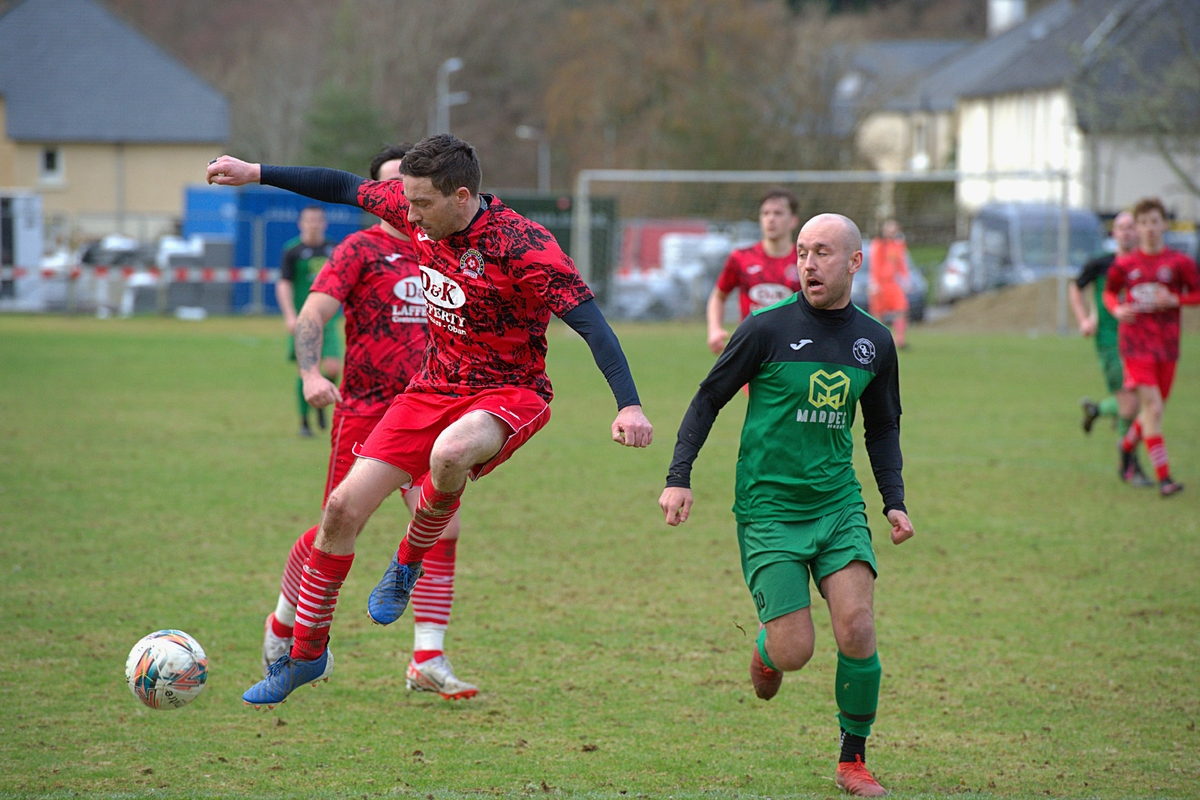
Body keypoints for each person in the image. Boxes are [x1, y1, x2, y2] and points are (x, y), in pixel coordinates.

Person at [208, 134, 654, 709]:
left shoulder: (525, 246)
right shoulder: (414, 212)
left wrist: (630, 404)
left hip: (509, 391)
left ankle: (408, 561)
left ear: (461, 196)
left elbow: (594, 326)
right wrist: (256, 171)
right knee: (341, 510)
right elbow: (343, 185)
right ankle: (306, 656)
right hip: (428, 388)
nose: (407, 213)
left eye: (419, 203)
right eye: (406, 201)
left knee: (449, 454)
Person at [659, 213, 914, 798]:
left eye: (822, 252)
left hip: (837, 504)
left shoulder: (874, 340)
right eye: (802, 252)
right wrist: (679, 477)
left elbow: (882, 427)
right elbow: (708, 399)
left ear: (854, 262)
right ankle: (767, 651)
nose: (807, 263)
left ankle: (853, 760)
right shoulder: (765, 329)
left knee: (857, 626)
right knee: (796, 651)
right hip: (769, 506)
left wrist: (893, 501)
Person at [260, 144, 477, 700]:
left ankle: (427, 656)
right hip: (366, 412)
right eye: (390, 190)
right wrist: (310, 373)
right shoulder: (359, 250)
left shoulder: (455, 253)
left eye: (410, 192)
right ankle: (285, 622)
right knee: (337, 526)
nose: (403, 202)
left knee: (443, 525)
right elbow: (313, 313)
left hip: (433, 412)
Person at [1103, 197, 1200, 497]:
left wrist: (1176, 300)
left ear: (1164, 225)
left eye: (1154, 222)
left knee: (1152, 414)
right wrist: (1117, 310)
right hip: (1134, 346)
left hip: (1167, 348)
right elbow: (1109, 293)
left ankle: (1127, 445)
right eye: (1142, 223)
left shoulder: (1179, 263)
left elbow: (1197, 294)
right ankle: (1165, 478)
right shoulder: (1125, 264)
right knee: (1153, 408)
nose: (1148, 229)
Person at [1068, 212, 1151, 485]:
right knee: (1130, 407)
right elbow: (1076, 287)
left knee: (1145, 403)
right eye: (1121, 228)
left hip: (1143, 343)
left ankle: (1099, 410)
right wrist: (1085, 320)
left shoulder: (1145, 266)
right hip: (1110, 342)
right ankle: (1127, 464)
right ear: (1113, 233)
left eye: (1131, 227)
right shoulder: (1102, 265)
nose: (1127, 232)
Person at [706, 189, 801, 354]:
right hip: (751, 348)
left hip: (792, 349)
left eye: (778, 213)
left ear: (793, 220)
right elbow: (718, 296)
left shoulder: (803, 261)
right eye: (765, 213)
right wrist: (714, 329)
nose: (770, 219)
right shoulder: (741, 258)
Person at [278, 206, 342, 437]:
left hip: (328, 320)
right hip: (304, 320)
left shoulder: (334, 248)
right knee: (304, 370)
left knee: (333, 367)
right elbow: (284, 284)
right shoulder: (292, 250)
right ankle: (304, 421)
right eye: (309, 220)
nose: (313, 224)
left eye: (317, 220)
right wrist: (290, 315)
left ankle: (321, 404)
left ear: (324, 223)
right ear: (301, 223)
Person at [867, 219, 910, 349]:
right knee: (878, 313)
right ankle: (879, 341)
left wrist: (905, 279)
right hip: (880, 283)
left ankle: (900, 340)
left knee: (901, 308)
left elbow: (901, 264)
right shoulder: (878, 244)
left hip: (893, 283)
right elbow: (874, 264)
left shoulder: (898, 245)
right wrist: (874, 282)